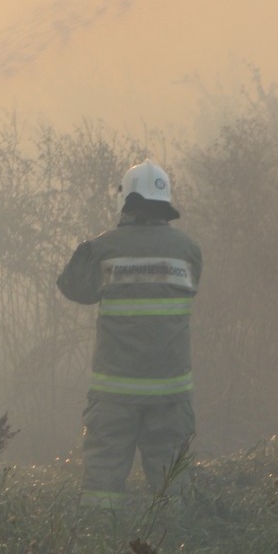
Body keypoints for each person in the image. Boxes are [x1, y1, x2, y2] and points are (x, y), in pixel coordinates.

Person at [57, 160, 202, 510]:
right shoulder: (188, 250)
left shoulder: (104, 249)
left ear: (126, 200)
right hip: (171, 393)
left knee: (102, 484)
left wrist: (87, 249)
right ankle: (174, 538)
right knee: (172, 483)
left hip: (114, 393)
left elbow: (73, 288)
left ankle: (101, 536)